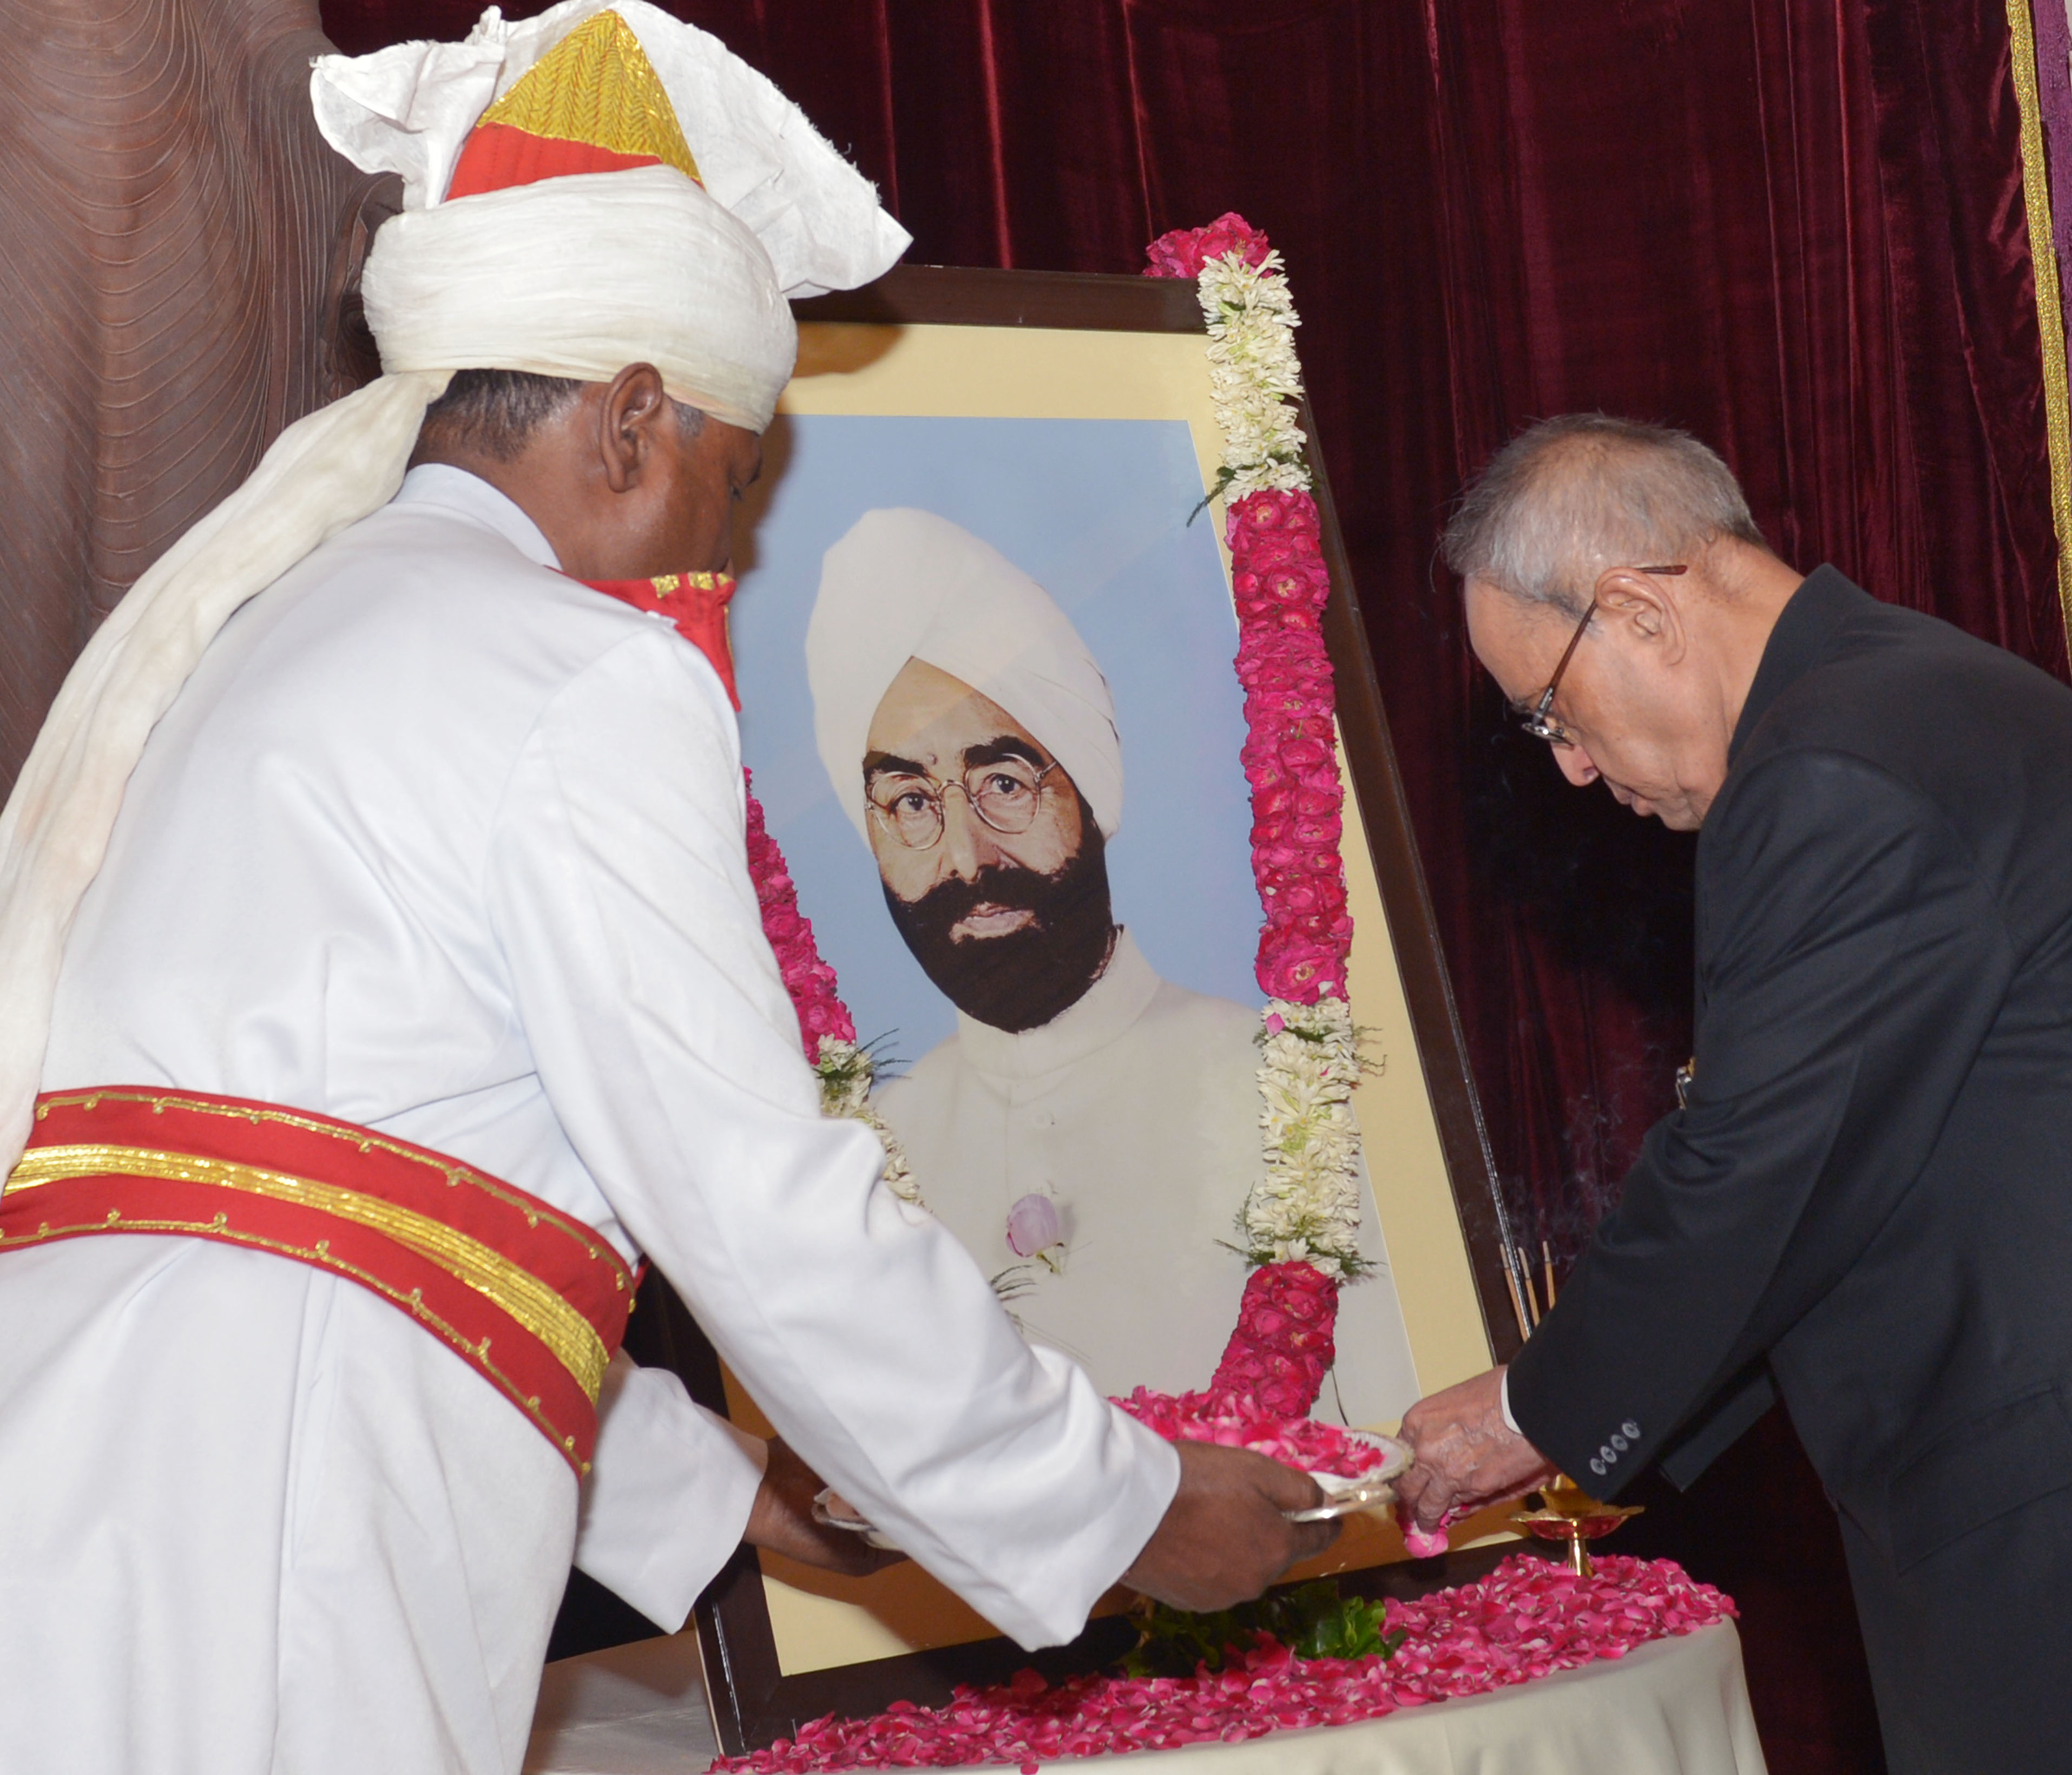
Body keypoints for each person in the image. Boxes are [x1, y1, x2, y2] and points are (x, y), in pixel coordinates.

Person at [0, 9, 1326, 1772]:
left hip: (114, 1489)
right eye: (734, 471)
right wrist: (1128, 1514)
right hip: (273, 1529)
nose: (726, 540)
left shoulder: (289, 630)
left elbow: (377, 1193)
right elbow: (759, 1205)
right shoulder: (579, 673)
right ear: (630, 421)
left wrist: (727, 1501)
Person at [1396, 415, 2072, 1774]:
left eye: (1552, 711)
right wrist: (1596, 1412)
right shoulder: (1916, 693)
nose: (1569, 764)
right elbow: (1867, 1175)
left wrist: (1533, 1411)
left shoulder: (1831, 773)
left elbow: (1753, 1168)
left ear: (1637, 606)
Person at [804, 508, 1422, 1415]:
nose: (967, 856)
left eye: (1004, 785)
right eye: (907, 802)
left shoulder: (1287, 1087)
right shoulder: (871, 1160)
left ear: (1091, 793)